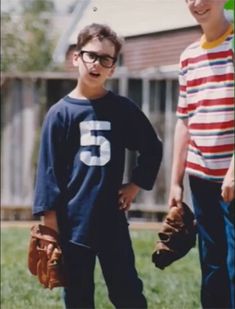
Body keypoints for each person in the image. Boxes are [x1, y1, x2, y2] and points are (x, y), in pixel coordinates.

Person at [33, 23, 163, 309]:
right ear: (76, 57)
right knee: (78, 298)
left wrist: (135, 185)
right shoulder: (60, 114)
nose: (97, 64)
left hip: (111, 221)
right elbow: (49, 171)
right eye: (91, 55)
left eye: (106, 59)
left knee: (127, 292)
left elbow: (152, 147)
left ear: (113, 67)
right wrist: (50, 225)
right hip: (73, 225)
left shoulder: (122, 109)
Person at [168, 0, 234, 308]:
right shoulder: (188, 57)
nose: (197, 3)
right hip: (201, 177)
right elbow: (184, 121)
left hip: (231, 177)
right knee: (212, 263)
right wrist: (175, 181)